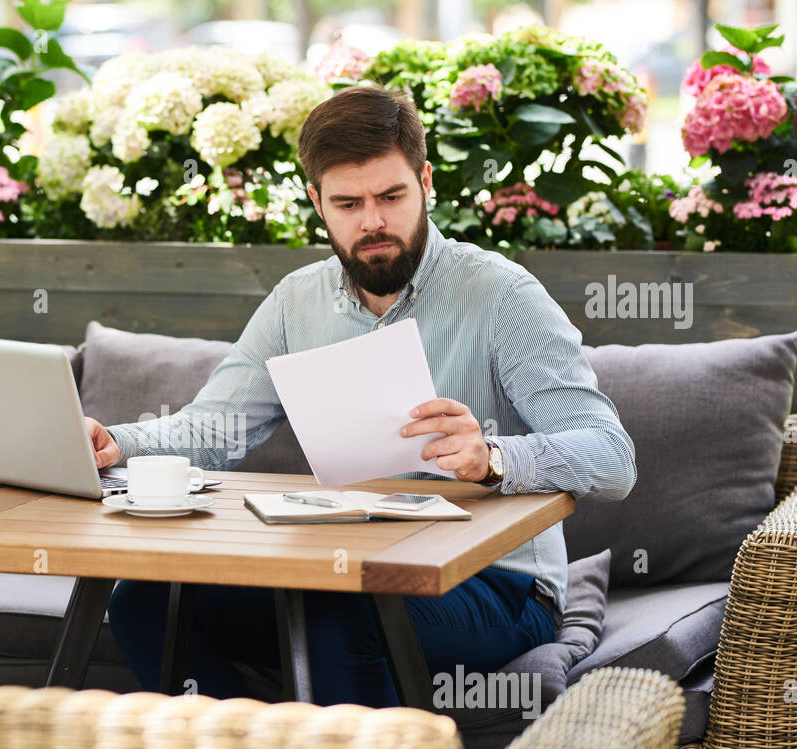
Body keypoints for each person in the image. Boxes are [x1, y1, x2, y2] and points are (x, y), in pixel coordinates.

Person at [82, 84, 637, 707]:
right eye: (348, 203)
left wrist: (496, 458)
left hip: (495, 586)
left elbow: (612, 457)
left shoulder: (502, 295)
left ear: (426, 181)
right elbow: (213, 429)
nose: (372, 221)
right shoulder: (297, 301)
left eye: (391, 196)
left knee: (335, 608)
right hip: (344, 568)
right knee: (144, 600)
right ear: (317, 202)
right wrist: (115, 443)